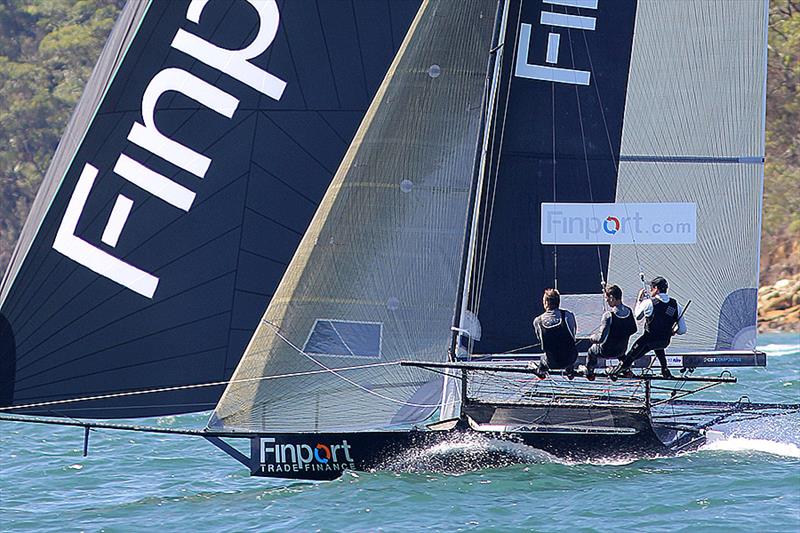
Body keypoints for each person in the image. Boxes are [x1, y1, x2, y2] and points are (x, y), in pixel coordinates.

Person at [611, 276, 687, 378]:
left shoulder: (649, 303)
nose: (650, 290)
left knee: (632, 354)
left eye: (651, 287)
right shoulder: (675, 305)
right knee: (658, 344)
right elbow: (682, 330)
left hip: (648, 341)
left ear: (656, 289)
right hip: (664, 341)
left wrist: (639, 300)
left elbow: (638, 316)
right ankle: (665, 370)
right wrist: (674, 330)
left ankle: (616, 371)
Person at [583, 284, 637, 380]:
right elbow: (634, 329)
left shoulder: (608, 315)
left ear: (612, 298)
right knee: (621, 353)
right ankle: (626, 370)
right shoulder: (629, 311)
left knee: (591, 351)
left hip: (606, 351)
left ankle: (590, 371)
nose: (606, 301)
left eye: (607, 298)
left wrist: (591, 338)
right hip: (621, 350)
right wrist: (622, 334)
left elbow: (600, 339)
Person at [532, 288, 578, 378]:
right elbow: (573, 335)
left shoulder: (537, 321)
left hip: (552, 362)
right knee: (568, 353)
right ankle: (569, 369)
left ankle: (541, 372)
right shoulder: (568, 316)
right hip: (571, 358)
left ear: (545, 303)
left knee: (543, 358)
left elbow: (541, 341)